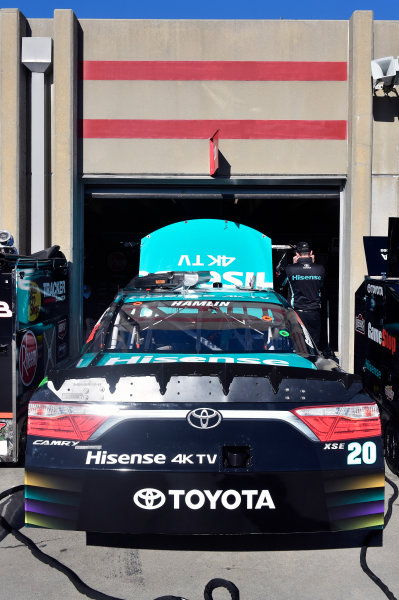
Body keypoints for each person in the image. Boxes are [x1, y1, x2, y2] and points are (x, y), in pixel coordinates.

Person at [281, 241, 325, 346]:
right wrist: (312, 265)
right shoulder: (320, 269)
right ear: (311, 253)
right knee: (313, 345)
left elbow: (281, 284)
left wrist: (294, 265)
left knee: (297, 344)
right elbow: (322, 286)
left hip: (296, 313)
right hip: (314, 313)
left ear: (297, 254)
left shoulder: (290, 269)